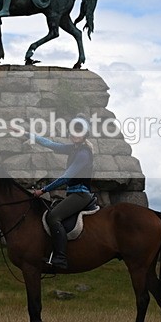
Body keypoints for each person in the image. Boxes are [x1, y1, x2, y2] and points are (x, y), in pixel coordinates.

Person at [28, 115, 94, 269]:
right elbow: (49, 144)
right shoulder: (73, 149)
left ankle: (61, 259)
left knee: (53, 217)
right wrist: (25, 133)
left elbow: (66, 177)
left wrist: (42, 190)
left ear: (85, 134)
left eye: (79, 130)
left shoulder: (83, 154)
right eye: (73, 130)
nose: (75, 133)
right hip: (73, 194)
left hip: (80, 194)